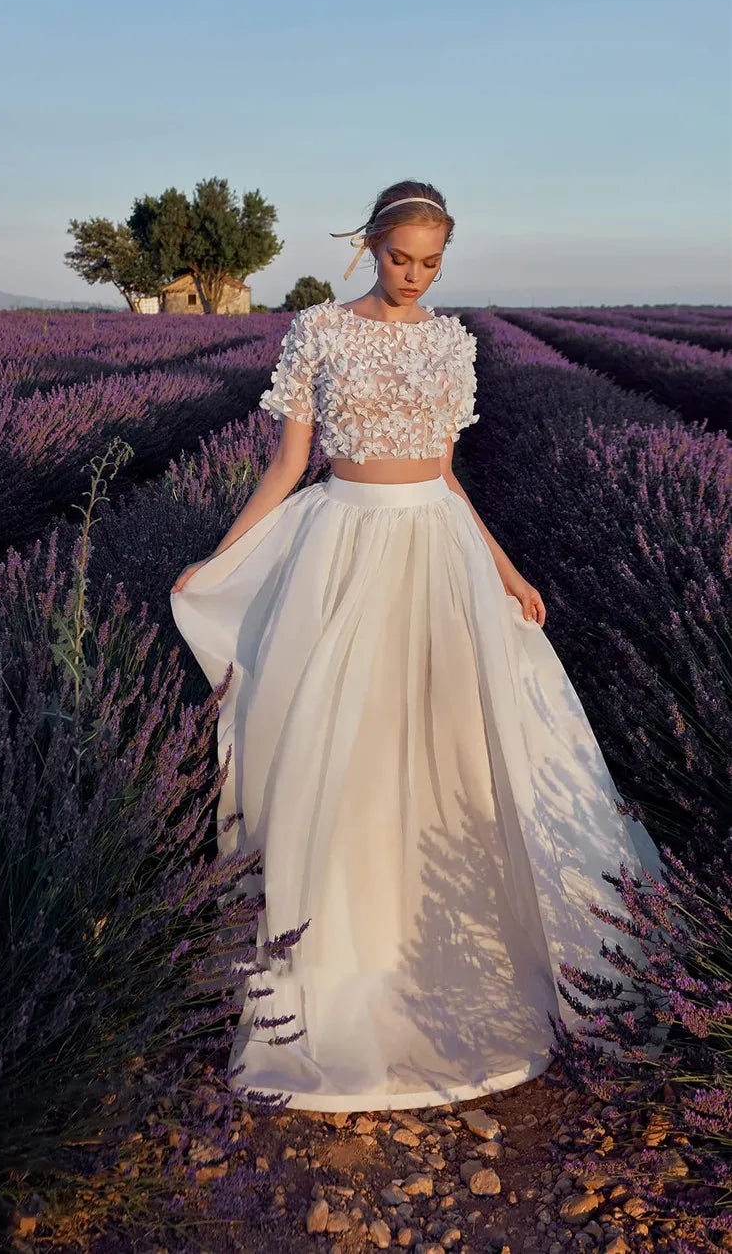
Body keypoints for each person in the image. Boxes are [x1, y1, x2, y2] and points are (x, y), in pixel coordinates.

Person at [169, 181, 664, 1113]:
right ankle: (344, 968)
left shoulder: (449, 340)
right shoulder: (319, 331)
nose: (415, 275)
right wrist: (219, 556)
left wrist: (508, 570)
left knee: (454, 753)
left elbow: (446, 475)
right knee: (341, 753)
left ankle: (456, 954)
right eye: (401, 258)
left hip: (437, 553)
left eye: (432, 262)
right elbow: (289, 465)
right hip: (344, 548)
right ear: (370, 245)